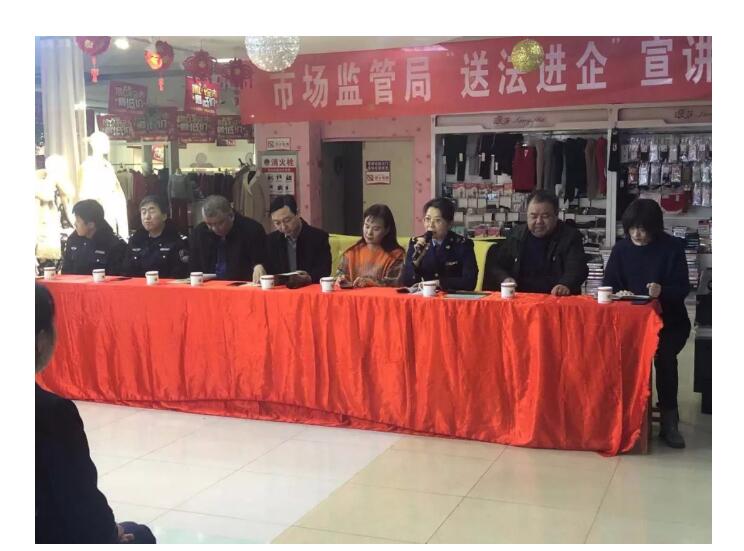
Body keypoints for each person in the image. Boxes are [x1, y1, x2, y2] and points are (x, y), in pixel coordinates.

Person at [35, 284, 156, 543]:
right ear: (41, 340)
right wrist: (111, 533)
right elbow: (80, 503)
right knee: (142, 535)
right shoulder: (51, 413)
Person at [603, 199, 691, 448]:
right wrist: (617, 294)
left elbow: (682, 289)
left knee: (664, 357)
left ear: (655, 228)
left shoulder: (672, 248)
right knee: (615, 355)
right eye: (632, 228)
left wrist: (662, 291)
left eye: (642, 229)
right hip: (629, 323)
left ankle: (669, 421)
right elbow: (607, 285)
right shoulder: (621, 249)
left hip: (669, 323)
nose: (637, 234)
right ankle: (621, 413)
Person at [483, 190, 588, 295]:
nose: (539, 221)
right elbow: (496, 266)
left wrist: (565, 284)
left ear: (556, 215)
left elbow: (577, 269)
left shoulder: (570, 237)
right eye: (533, 216)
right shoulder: (515, 235)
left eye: (545, 216)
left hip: (556, 299)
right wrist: (505, 278)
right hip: (520, 299)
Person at [401, 198, 478, 291]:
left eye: (437, 220)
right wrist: (416, 263)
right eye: (427, 219)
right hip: (426, 297)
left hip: (452, 297)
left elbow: (470, 282)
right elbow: (407, 282)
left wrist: (439, 283)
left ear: (449, 224)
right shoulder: (416, 243)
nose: (431, 225)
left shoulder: (463, 244)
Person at [189, 194, 268, 282]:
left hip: (242, 285)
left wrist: (258, 266)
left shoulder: (252, 230)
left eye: (220, 223)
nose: (215, 229)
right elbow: (194, 267)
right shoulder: (199, 233)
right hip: (208, 285)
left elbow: (261, 262)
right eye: (209, 224)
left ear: (231, 215)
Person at [265, 195, 332, 285]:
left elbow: (325, 270)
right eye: (277, 223)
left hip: (309, 290)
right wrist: (259, 266)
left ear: (297, 213)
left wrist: (309, 278)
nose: (283, 227)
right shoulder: (270, 240)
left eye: (287, 220)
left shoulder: (318, 237)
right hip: (281, 290)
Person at [335, 204, 405, 288]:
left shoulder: (396, 255)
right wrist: (340, 279)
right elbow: (339, 275)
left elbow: (395, 283)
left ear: (387, 230)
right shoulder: (352, 252)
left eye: (376, 229)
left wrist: (371, 282)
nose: (369, 233)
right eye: (367, 226)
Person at [121, 195, 190, 279]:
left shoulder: (177, 241)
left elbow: (180, 275)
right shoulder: (135, 241)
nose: (147, 217)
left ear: (164, 216)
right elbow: (126, 273)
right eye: (143, 212)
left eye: (152, 211)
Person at [61, 199, 127, 276]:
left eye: (78, 221)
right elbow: (65, 272)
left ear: (91, 225)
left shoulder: (115, 245)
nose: (75, 224)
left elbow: (117, 277)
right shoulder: (73, 240)